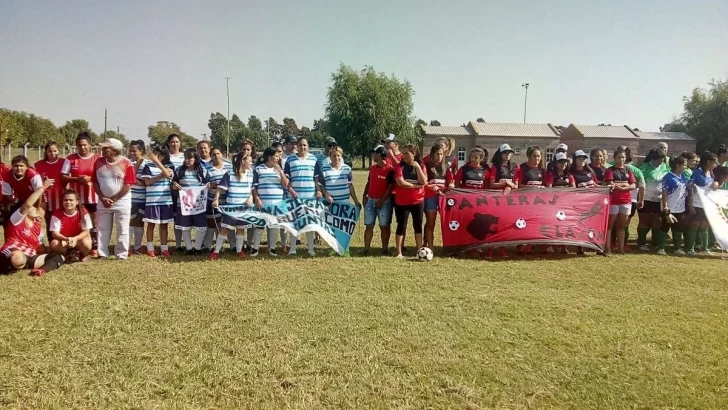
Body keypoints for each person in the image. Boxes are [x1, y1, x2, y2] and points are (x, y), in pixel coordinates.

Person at [0, 178, 64, 276]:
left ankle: (41, 270)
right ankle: (7, 266)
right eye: (33, 207)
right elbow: (27, 204)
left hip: (29, 256)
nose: (36, 209)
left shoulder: (38, 227)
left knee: (59, 257)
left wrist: (50, 249)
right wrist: (42, 188)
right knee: (18, 257)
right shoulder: (17, 219)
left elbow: (40, 248)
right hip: (13, 251)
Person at [93, 138, 136, 260]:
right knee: (102, 229)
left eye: (106, 148)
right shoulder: (98, 162)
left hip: (122, 202)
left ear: (115, 150)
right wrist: (102, 197)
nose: (103, 149)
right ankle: (102, 253)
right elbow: (95, 181)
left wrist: (114, 198)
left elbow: (128, 184)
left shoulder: (126, 163)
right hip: (103, 202)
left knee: (122, 229)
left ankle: (121, 254)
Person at [62, 132, 100, 256]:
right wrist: (76, 179)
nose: (82, 148)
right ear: (76, 146)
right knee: (78, 222)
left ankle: (95, 247)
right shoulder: (71, 159)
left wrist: (90, 178)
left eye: (84, 145)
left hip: (93, 196)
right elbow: (63, 176)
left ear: (90, 145)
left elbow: (102, 175)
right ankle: (76, 246)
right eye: (79, 145)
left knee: (95, 222)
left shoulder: (97, 158)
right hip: (77, 198)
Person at [210, 152, 254, 259]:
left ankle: (239, 250)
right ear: (243, 161)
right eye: (250, 161)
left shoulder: (251, 174)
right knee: (224, 229)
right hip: (231, 208)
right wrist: (216, 199)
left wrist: (250, 198)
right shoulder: (230, 174)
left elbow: (251, 190)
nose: (251, 163)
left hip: (243, 208)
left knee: (240, 229)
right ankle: (216, 251)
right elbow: (220, 188)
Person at [284, 136, 321, 256]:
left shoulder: (313, 159)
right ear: (297, 146)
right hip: (294, 197)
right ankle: (292, 248)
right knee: (294, 222)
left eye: (305, 145)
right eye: (300, 145)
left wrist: (318, 190)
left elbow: (316, 178)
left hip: (309, 196)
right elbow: (286, 179)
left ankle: (310, 249)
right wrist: (290, 189)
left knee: (309, 222)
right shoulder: (290, 160)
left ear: (308, 146)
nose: (302, 147)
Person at [251, 147, 289, 257]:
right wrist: (257, 198)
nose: (278, 158)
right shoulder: (259, 169)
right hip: (263, 202)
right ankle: (255, 248)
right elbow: (254, 186)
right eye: (276, 156)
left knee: (274, 226)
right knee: (260, 225)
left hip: (277, 202)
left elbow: (286, 184)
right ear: (269, 157)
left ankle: (272, 248)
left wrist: (280, 172)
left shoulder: (279, 169)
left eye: (279, 156)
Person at [172, 149, 210, 255]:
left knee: (201, 227)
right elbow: (173, 185)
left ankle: (197, 248)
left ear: (196, 159)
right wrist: (174, 187)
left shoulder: (203, 171)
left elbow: (208, 184)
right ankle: (189, 248)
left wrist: (209, 186)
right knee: (185, 226)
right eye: (185, 158)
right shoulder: (179, 171)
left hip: (199, 204)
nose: (187, 160)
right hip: (184, 204)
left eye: (190, 158)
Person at [393, 144, 426, 258]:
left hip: (418, 201)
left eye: (407, 153)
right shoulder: (399, 166)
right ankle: (399, 252)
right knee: (401, 225)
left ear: (414, 154)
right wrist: (415, 186)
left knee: (418, 225)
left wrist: (417, 167)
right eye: (403, 153)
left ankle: (419, 251)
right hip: (402, 202)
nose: (404, 155)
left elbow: (424, 181)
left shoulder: (421, 165)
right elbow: (400, 183)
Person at [142, 147, 175, 258]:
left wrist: (158, 163)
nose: (155, 157)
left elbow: (168, 174)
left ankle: (164, 249)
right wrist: (161, 174)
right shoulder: (147, 166)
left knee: (164, 225)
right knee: (151, 224)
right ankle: (150, 248)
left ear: (163, 155)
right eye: (154, 155)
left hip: (166, 201)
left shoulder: (170, 165)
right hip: (152, 201)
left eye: (158, 155)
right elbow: (147, 182)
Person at [362, 145, 395, 256]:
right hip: (370, 200)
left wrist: (381, 200)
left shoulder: (390, 170)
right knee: (369, 225)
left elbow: (390, 188)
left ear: (380, 155)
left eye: (374, 153)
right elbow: (369, 182)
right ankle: (366, 249)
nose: (372, 155)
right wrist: (364, 195)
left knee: (384, 226)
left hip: (384, 203)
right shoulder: (372, 168)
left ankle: (385, 248)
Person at [603, 149, 636, 256]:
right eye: (619, 157)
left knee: (621, 226)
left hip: (626, 201)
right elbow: (611, 185)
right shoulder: (610, 170)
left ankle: (621, 248)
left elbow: (633, 185)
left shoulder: (628, 170)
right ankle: (607, 248)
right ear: (614, 158)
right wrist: (625, 185)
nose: (621, 159)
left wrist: (621, 186)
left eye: (623, 157)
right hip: (613, 201)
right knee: (609, 226)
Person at [685, 152, 719, 256]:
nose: (715, 164)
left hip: (707, 204)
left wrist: (716, 183)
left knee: (705, 225)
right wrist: (690, 205)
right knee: (695, 225)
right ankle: (690, 248)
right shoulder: (697, 173)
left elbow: (713, 184)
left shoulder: (711, 172)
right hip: (697, 203)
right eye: (714, 162)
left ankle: (705, 248)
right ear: (708, 162)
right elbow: (690, 188)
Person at [488, 144, 518, 258]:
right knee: (494, 225)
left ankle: (502, 249)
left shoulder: (514, 167)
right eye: (505, 153)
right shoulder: (495, 167)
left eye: (509, 153)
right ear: (500, 154)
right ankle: (490, 249)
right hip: (496, 200)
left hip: (509, 201)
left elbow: (516, 185)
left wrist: (510, 186)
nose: (508, 155)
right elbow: (491, 184)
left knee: (506, 225)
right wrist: (505, 184)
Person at [637, 148, 669, 252]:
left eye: (662, 159)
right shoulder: (644, 168)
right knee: (644, 221)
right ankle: (641, 243)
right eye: (658, 159)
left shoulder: (665, 167)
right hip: (646, 198)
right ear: (652, 158)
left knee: (657, 221)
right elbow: (640, 183)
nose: (660, 162)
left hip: (658, 199)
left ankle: (655, 242)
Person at [422, 144, 454, 249]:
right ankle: (429, 247)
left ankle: (449, 245)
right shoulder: (426, 166)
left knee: (447, 221)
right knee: (431, 222)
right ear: (432, 154)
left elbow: (451, 180)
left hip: (443, 198)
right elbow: (422, 183)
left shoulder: (446, 166)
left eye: (441, 154)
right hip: (430, 197)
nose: (439, 157)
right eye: (437, 154)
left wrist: (451, 184)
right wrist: (430, 187)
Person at [34, 141, 67, 240]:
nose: (52, 153)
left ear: (58, 151)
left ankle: (64, 245)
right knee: (49, 223)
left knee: (62, 222)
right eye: (49, 151)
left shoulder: (64, 162)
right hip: (45, 199)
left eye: (54, 151)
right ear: (45, 152)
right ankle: (52, 247)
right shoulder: (38, 165)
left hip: (61, 198)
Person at [543, 152, 575, 254]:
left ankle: (563, 245)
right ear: (555, 163)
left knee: (564, 224)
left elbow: (573, 187)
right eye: (560, 162)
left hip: (566, 203)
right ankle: (552, 245)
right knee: (554, 224)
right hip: (554, 204)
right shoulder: (551, 174)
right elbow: (549, 188)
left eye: (565, 162)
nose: (563, 164)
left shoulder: (569, 175)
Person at [203, 148, 234, 251]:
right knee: (213, 223)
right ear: (211, 156)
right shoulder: (207, 168)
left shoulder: (230, 166)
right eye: (214, 154)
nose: (216, 156)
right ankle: (209, 245)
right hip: (212, 199)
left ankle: (233, 245)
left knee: (228, 223)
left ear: (222, 154)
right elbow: (203, 183)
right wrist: (209, 185)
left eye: (218, 153)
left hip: (227, 200)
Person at [49, 189, 93, 261]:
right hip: (64, 239)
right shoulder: (57, 213)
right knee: (54, 244)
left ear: (77, 202)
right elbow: (54, 233)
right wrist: (65, 238)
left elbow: (86, 231)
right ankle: (67, 255)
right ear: (62, 202)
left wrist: (75, 238)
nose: (68, 202)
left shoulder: (83, 212)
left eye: (71, 200)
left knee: (87, 243)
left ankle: (82, 255)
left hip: (78, 239)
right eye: (65, 200)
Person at [661, 156, 689, 256]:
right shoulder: (669, 177)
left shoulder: (683, 176)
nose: (686, 167)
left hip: (680, 208)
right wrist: (665, 206)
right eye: (684, 165)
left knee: (678, 228)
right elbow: (664, 192)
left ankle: (677, 248)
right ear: (678, 165)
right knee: (665, 227)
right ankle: (660, 248)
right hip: (670, 207)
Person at [128, 140, 148, 255]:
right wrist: (137, 164)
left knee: (140, 222)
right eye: (130, 150)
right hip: (131, 197)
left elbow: (148, 181)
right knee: (130, 222)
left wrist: (138, 181)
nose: (132, 153)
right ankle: (128, 248)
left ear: (142, 151)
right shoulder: (128, 163)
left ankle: (138, 246)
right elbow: (128, 177)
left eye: (134, 150)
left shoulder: (148, 163)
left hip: (143, 198)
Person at [166, 134, 185, 251]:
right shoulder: (165, 157)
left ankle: (186, 242)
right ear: (168, 143)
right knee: (175, 218)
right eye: (172, 142)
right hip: (169, 191)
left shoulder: (185, 157)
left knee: (183, 217)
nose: (175, 144)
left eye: (177, 141)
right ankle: (178, 244)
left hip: (185, 192)